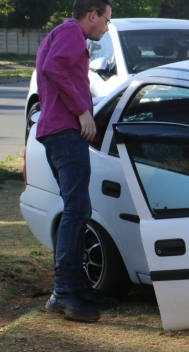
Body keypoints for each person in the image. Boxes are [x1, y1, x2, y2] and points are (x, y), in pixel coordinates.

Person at [36, 0, 117, 322]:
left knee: (78, 209)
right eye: (107, 20)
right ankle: (64, 292)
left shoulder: (62, 33)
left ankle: (78, 287)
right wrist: (82, 111)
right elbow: (53, 68)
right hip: (65, 133)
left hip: (60, 132)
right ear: (92, 15)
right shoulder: (71, 32)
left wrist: (89, 107)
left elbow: (59, 73)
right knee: (76, 210)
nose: (107, 28)